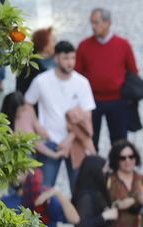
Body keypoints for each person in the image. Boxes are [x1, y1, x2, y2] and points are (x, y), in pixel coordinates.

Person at [24, 40, 95, 190]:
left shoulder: (82, 83)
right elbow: (28, 104)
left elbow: (86, 116)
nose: (70, 62)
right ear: (56, 59)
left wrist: (70, 139)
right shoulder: (41, 81)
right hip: (49, 141)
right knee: (43, 188)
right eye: (66, 58)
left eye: (72, 58)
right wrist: (37, 125)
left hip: (75, 143)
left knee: (79, 189)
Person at [75, 8, 138, 150]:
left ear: (107, 23)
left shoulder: (123, 45)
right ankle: (93, 171)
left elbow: (133, 71)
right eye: (92, 22)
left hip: (118, 101)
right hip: (91, 102)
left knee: (119, 142)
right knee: (90, 140)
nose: (93, 26)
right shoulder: (84, 46)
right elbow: (77, 74)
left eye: (96, 22)